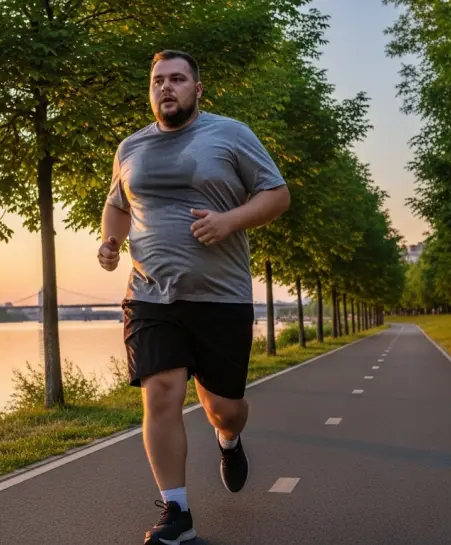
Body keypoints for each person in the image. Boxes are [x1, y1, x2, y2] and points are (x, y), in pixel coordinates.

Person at [98, 50, 290, 545]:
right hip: (149, 295)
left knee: (224, 407)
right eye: (158, 80)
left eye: (178, 79)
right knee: (161, 392)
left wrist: (228, 221)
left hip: (220, 297)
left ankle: (229, 438)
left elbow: (276, 194)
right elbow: (117, 204)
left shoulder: (231, 135)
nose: (166, 87)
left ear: (198, 89)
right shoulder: (130, 147)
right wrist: (110, 241)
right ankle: (177, 513)